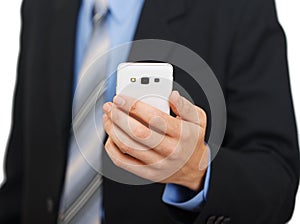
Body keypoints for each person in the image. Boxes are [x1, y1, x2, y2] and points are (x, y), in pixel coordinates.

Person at [0, 0, 299, 223]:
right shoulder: (41, 6)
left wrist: (198, 170)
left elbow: (277, 182)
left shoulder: (239, 7)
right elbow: (25, 173)